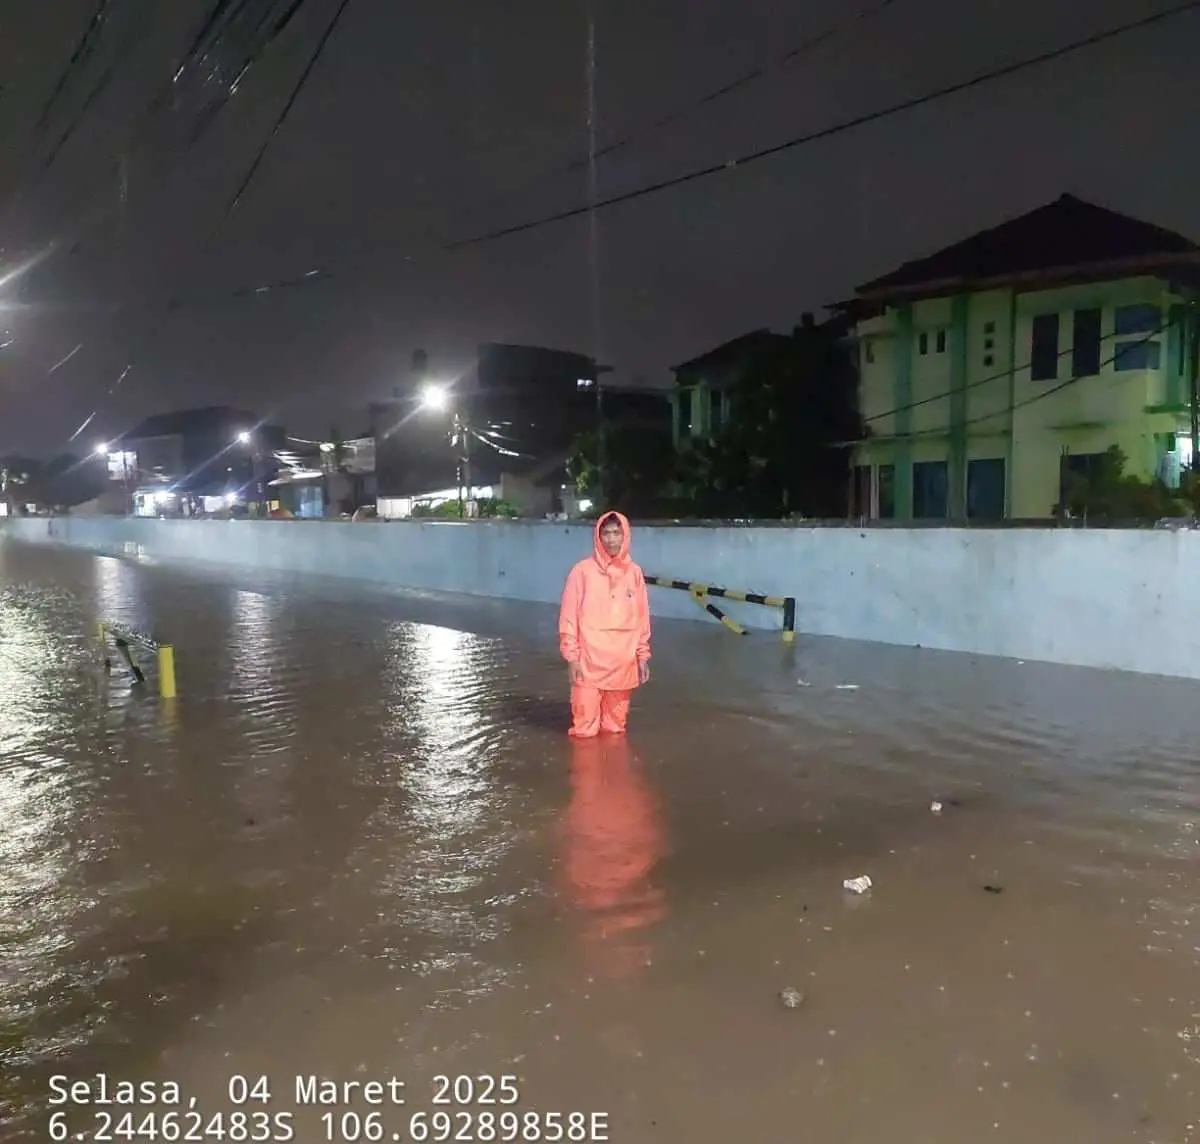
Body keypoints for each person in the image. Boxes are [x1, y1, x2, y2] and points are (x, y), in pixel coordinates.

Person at [558, 510, 651, 738]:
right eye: (606, 533)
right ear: (597, 537)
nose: (611, 539)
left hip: (623, 663)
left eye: (616, 533)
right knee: (584, 732)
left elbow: (641, 618)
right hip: (588, 663)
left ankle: (614, 774)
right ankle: (585, 774)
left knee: (615, 730)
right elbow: (569, 617)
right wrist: (572, 657)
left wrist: (642, 656)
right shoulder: (582, 572)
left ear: (625, 536)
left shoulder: (634, 573)